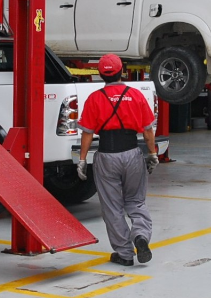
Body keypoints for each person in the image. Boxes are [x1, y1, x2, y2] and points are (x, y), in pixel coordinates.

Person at [77, 54, 159, 266]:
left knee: (112, 207)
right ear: (122, 71)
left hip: (106, 156)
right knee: (136, 201)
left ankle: (124, 254)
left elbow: (87, 133)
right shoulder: (135, 95)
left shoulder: (94, 98)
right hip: (132, 153)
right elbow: (148, 131)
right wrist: (152, 154)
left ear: (100, 74)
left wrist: (82, 160)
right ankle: (141, 235)